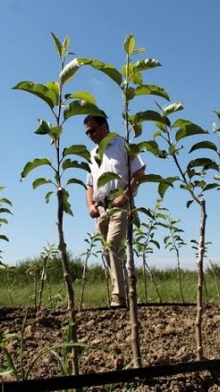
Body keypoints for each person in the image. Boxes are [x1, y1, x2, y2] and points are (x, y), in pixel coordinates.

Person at [83, 113, 145, 308]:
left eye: (92, 130)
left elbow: (139, 172)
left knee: (112, 244)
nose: (90, 135)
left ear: (104, 126)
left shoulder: (121, 145)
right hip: (101, 209)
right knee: (108, 251)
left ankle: (118, 295)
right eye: (87, 133)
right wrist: (90, 205)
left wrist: (124, 197)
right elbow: (90, 183)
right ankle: (125, 291)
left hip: (120, 205)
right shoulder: (93, 154)